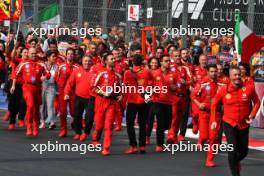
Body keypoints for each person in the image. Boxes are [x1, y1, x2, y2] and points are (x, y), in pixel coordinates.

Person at [211, 66, 260, 176]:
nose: (238, 77)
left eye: (239, 75)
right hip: (229, 123)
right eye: (235, 75)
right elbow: (214, 103)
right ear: (230, 76)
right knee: (232, 149)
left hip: (244, 124)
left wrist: (252, 115)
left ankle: (235, 162)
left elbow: (257, 102)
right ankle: (235, 173)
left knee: (243, 151)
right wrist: (213, 120)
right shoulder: (223, 90)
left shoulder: (249, 88)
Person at [10, 48, 50, 137]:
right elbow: (15, 74)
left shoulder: (41, 63)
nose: (33, 55)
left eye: (35, 53)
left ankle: (35, 126)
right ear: (28, 54)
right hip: (27, 87)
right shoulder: (23, 63)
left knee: (36, 109)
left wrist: (45, 77)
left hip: (37, 88)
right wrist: (13, 85)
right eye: (32, 53)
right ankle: (29, 126)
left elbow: (48, 73)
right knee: (30, 105)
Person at [191, 64, 225, 167]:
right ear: (208, 72)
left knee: (213, 137)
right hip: (204, 113)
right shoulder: (202, 83)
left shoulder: (222, 84)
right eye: (212, 71)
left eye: (215, 71)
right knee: (205, 136)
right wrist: (199, 104)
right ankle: (201, 138)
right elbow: (193, 95)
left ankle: (210, 159)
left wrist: (224, 106)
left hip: (217, 114)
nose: (214, 73)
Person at [92, 52, 123, 156]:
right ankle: (95, 139)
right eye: (111, 59)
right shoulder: (100, 73)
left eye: (114, 59)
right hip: (101, 101)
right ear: (106, 61)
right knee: (99, 125)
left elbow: (120, 89)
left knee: (108, 126)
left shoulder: (118, 75)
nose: (114, 60)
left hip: (111, 102)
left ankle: (106, 148)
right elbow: (93, 87)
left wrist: (120, 95)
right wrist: (102, 92)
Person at [123, 54, 152, 154]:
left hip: (132, 101)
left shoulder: (128, 73)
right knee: (143, 124)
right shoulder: (147, 72)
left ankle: (133, 146)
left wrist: (124, 100)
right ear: (142, 62)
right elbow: (151, 83)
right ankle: (142, 146)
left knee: (130, 124)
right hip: (144, 100)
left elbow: (125, 87)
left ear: (133, 62)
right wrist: (147, 93)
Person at [64, 55, 93, 141]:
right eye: (85, 61)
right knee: (77, 116)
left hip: (90, 98)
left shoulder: (94, 72)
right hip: (79, 97)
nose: (87, 63)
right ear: (82, 61)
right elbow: (69, 83)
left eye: (88, 61)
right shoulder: (77, 71)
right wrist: (66, 93)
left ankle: (86, 132)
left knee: (90, 118)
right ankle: (78, 132)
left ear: (91, 62)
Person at [149, 54, 174, 152]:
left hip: (169, 102)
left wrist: (174, 88)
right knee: (160, 123)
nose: (168, 63)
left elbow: (176, 86)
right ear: (161, 62)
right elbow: (149, 86)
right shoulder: (155, 73)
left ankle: (161, 136)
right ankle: (159, 145)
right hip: (157, 101)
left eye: (169, 61)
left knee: (167, 124)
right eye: (166, 61)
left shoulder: (173, 74)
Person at [167, 50, 192, 144]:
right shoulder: (169, 67)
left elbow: (192, 80)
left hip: (183, 96)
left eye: (178, 56)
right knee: (173, 116)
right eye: (176, 56)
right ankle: (171, 135)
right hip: (173, 96)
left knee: (179, 118)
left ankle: (175, 136)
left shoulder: (185, 68)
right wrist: (170, 85)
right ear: (172, 57)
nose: (177, 57)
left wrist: (185, 82)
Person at [55, 48, 79, 138]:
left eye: (72, 54)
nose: (70, 55)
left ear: (74, 55)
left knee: (74, 112)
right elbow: (56, 77)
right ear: (66, 55)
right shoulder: (61, 66)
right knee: (63, 112)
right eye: (68, 54)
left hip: (73, 92)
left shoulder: (77, 67)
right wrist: (61, 87)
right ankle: (63, 130)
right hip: (63, 91)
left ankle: (75, 124)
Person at [39, 50, 58, 129]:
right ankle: (42, 121)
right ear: (48, 57)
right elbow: (37, 75)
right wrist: (41, 78)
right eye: (53, 56)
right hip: (42, 86)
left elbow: (57, 78)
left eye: (55, 56)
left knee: (50, 104)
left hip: (52, 86)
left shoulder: (57, 66)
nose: (55, 58)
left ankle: (52, 122)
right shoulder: (42, 65)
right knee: (42, 105)